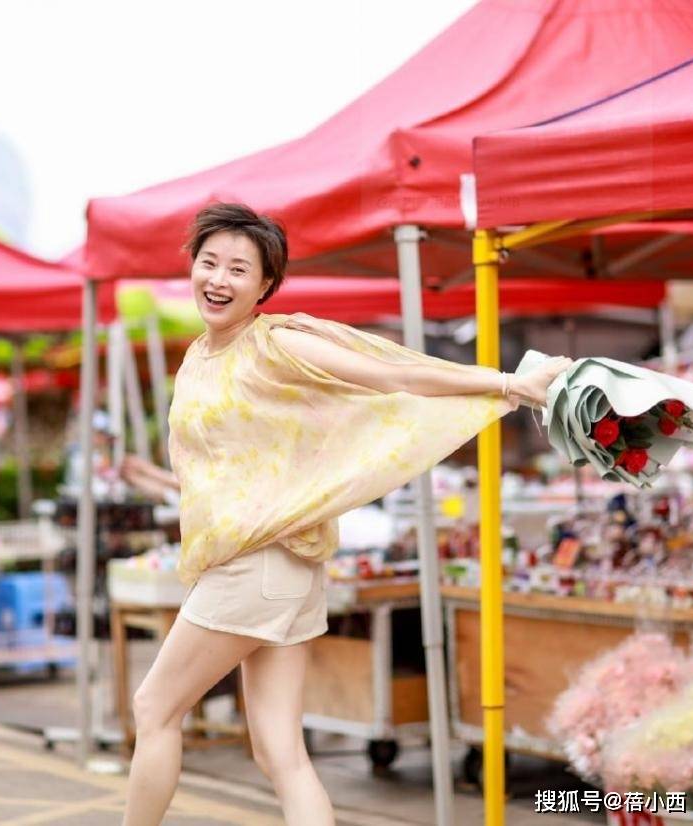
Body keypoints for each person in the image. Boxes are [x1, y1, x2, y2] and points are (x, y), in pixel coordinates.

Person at [121, 203, 572, 826]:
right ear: (192, 267)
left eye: (239, 269)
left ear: (265, 285)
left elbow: (391, 376)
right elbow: (222, 473)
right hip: (275, 567)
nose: (219, 280)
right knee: (280, 753)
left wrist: (505, 385)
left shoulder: (276, 343)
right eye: (209, 263)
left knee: (154, 708)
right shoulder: (201, 355)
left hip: (253, 567)